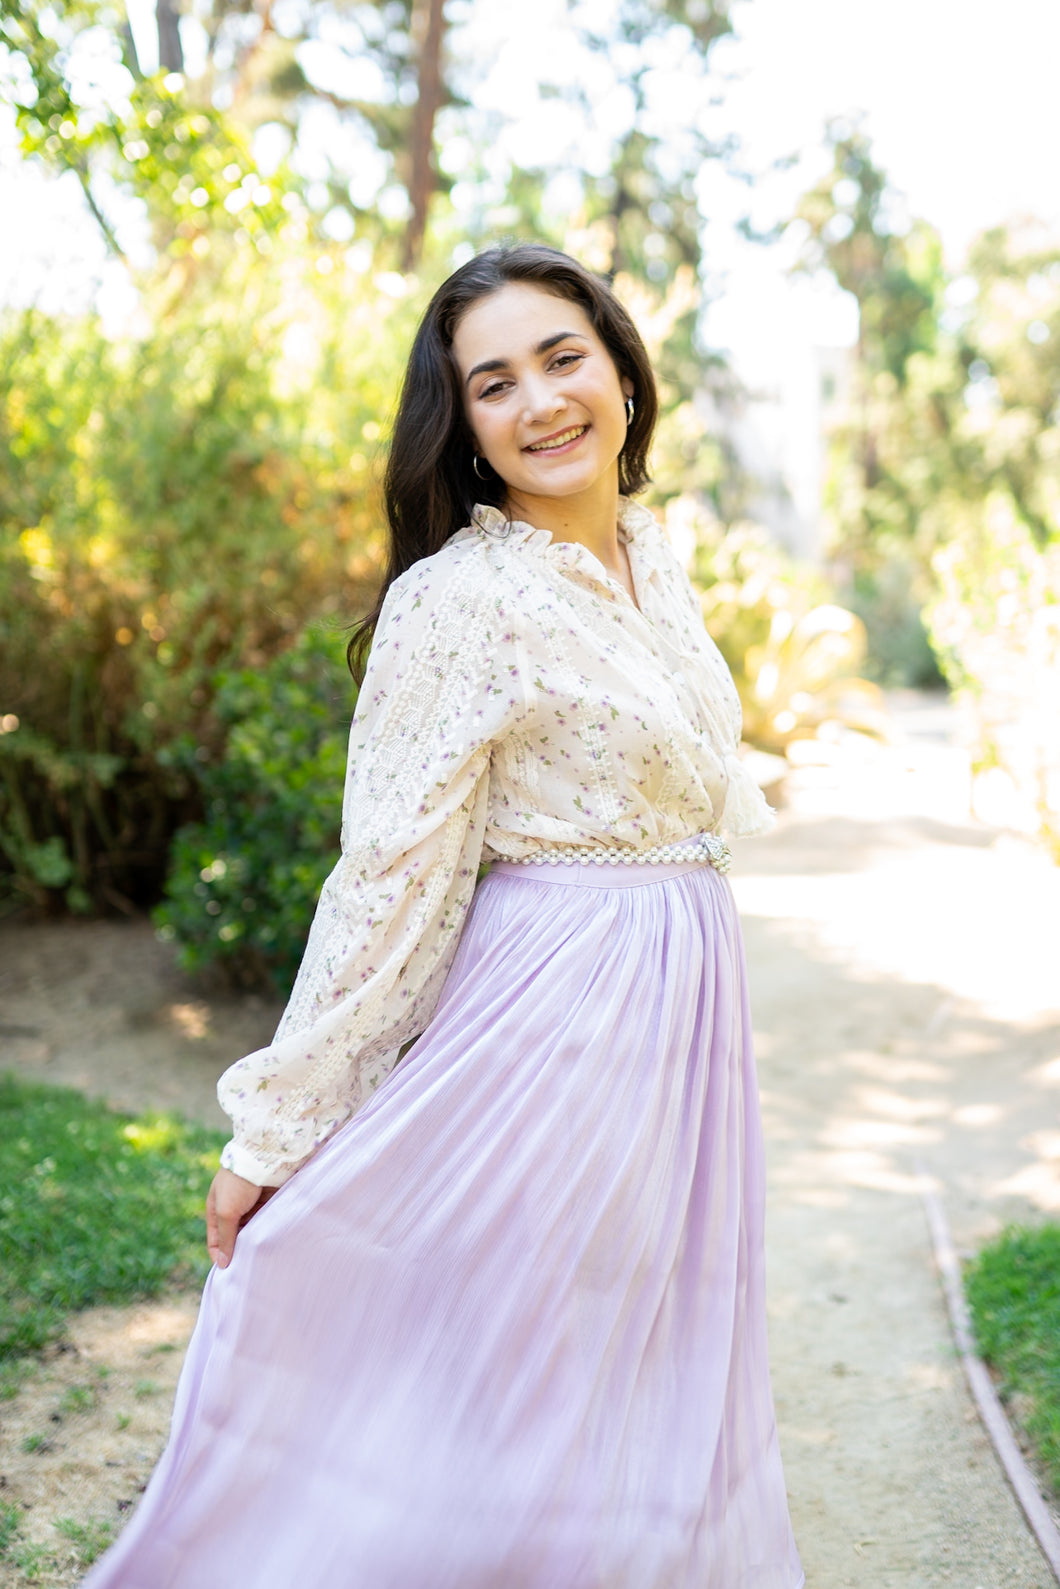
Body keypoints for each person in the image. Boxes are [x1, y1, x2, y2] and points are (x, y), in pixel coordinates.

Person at [83, 243, 804, 1589]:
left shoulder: (657, 560)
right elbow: (389, 878)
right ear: (461, 425)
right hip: (554, 1020)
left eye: (562, 357)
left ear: (622, 371)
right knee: (530, 1363)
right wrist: (279, 1128)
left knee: (642, 1352)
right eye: (494, 381)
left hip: (685, 1023)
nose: (540, 401)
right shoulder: (459, 600)